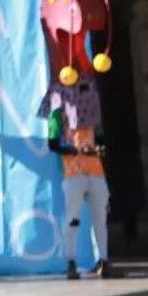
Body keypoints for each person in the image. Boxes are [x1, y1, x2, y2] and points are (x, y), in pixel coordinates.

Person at [47, 106, 113, 280]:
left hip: (96, 172)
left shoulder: (91, 108)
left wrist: (99, 148)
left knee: (100, 217)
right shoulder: (58, 113)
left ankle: (103, 260)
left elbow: (100, 138)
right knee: (73, 218)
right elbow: (53, 144)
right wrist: (75, 150)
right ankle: (71, 261)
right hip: (73, 172)